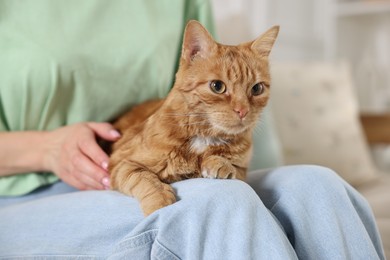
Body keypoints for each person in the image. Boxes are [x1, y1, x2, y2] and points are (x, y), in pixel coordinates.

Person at [0, 1, 385, 259]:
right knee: (221, 203)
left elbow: (223, 70)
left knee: (318, 186)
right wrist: (46, 149)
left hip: (178, 142)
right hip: (32, 189)